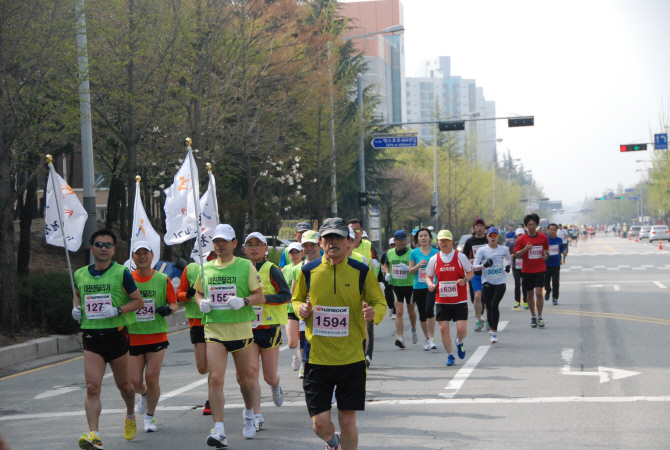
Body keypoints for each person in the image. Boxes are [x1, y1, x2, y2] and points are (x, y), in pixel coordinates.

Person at [292, 218, 386, 450]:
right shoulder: (308, 271)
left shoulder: (361, 271)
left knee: (347, 420)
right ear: (320, 242)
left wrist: (375, 313)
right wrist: (299, 308)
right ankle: (332, 441)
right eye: (328, 238)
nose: (333, 242)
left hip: (351, 357)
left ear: (349, 242)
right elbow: (295, 299)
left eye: (338, 238)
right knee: (320, 425)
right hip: (317, 358)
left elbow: (379, 302)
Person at [193, 224, 266, 447]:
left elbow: (260, 296)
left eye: (224, 241)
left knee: (245, 381)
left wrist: (243, 301)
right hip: (214, 330)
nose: (220, 245)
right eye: (216, 241)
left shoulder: (245, 267)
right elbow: (198, 292)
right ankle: (219, 429)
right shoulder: (205, 268)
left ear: (234, 243)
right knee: (215, 378)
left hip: (240, 331)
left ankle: (249, 414)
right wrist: (201, 303)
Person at [72, 229, 144, 449]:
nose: (103, 248)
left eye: (108, 245)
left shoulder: (122, 273)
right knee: (92, 387)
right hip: (92, 336)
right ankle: (94, 434)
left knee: (125, 386)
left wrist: (118, 311)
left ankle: (130, 414)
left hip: (117, 335)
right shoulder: (80, 273)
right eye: (99, 244)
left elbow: (138, 301)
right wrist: (75, 310)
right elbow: (77, 296)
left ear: (113, 250)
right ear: (91, 247)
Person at [126, 241, 178, 433]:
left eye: (145, 253)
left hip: (156, 335)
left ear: (152, 255)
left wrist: (168, 310)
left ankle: (150, 417)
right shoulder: (127, 279)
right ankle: (144, 393)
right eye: (137, 253)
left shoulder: (163, 279)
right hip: (132, 336)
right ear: (133, 257)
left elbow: (174, 303)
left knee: (152, 377)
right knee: (134, 381)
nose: (141, 256)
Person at [243, 232, 292, 431]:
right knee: (251, 373)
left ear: (265, 249)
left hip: (270, 327)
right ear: (244, 250)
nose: (254, 248)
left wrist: (264, 299)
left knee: (269, 376)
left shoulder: (272, 269)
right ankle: (257, 415)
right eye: (250, 245)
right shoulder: (240, 269)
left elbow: (286, 295)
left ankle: (276, 387)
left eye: (258, 244)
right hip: (248, 328)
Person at [424, 230, 474, 366]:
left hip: (460, 299)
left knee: (461, 329)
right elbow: (428, 276)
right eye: (441, 240)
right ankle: (450, 355)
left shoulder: (460, 257)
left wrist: (464, 279)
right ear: (438, 242)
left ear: (452, 242)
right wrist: (430, 284)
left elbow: (471, 272)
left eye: (447, 240)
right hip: (442, 300)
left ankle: (459, 342)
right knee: (443, 329)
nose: (444, 243)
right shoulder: (434, 259)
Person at [177, 251, 216, 415]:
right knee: (203, 367)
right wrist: (188, 294)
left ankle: (212, 399)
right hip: (197, 322)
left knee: (215, 366)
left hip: (217, 321)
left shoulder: (223, 265)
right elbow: (179, 294)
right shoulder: (191, 268)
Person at [291, 231, 322, 378]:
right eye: (305, 245)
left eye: (312, 245)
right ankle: (306, 369)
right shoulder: (298, 268)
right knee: (304, 343)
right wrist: (300, 306)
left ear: (320, 245)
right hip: (306, 315)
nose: (309, 248)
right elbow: (294, 294)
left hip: (325, 315)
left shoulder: (328, 264)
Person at [473, 228, 511, 344]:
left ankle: (494, 332)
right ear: (487, 237)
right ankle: (491, 330)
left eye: (495, 235)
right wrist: (484, 265)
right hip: (487, 282)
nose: (493, 237)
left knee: (494, 305)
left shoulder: (504, 249)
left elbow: (509, 260)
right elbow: (475, 266)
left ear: (498, 237)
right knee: (489, 307)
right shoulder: (482, 250)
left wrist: (508, 266)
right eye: (491, 235)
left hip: (500, 282)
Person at [513, 214, 550, 328]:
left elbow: (547, 251)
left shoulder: (543, 237)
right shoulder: (522, 239)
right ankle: (533, 316)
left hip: (540, 268)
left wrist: (545, 256)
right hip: (527, 270)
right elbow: (516, 254)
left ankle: (540, 316)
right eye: (529, 225)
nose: (532, 227)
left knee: (539, 293)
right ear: (526, 226)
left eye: (533, 224)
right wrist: (525, 249)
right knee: (529, 294)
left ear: (537, 225)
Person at [384, 230, 416, 348]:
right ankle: (400, 337)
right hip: (396, 285)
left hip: (410, 285)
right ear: (395, 241)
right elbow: (385, 264)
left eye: (403, 239)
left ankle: (413, 329)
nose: (401, 242)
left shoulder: (412, 253)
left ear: (406, 240)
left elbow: (417, 267)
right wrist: (386, 273)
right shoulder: (390, 252)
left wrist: (408, 268)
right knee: (399, 311)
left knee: (411, 311)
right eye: (399, 240)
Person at [408, 228, 439, 350]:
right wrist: (418, 265)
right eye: (420, 236)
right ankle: (426, 338)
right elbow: (410, 271)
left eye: (425, 235)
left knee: (429, 310)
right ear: (417, 239)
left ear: (430, 238)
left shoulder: (436, 252)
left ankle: (432, 339)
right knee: (422, 313)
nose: (423, 238)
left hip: (431, 285)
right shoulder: (414, 253)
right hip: (418, 286)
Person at [462, 218, 489, 331]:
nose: (479, 227)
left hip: (488, 274)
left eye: (481, 225)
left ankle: (489, 319)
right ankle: (478, 320)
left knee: (487, 298)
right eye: (477, 226)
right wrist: (470, 260)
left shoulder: (488, 240)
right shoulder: (470, 242)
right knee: (477, 297)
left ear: (484, 228)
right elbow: (464, 257)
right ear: (474, 228)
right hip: (475, 273)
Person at [283, 242, 304, 374]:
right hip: (290, 309)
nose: (294, 255)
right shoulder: (284, 270)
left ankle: (304, 367)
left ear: (302, 253)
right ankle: (296, 356)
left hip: (303, 309)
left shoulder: (307, 267)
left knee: (304, 340)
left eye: (297, 252)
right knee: (292, 342)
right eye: (292, 253)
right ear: (288, 255)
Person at [544, 224, 567, 306]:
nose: (552, 231)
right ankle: (548, 291)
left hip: (556, 265)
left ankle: (555, 298)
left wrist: (564, 251)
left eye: (554, 230)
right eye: (551, 229)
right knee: (546, 282)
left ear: (557, 231)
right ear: (548, 230)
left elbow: (561, 248)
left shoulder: (559, 240)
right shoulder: (544, 239)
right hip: (546, 264)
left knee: (556, 283)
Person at [379, 238, 397, 318]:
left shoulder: (399, 254)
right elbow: (381, 264)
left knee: (396, 295)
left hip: (397, 277)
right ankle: (390, 307)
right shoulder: (386, 254)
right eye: (391, 245)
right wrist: (385, 270)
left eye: (394, 245)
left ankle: (395, 311)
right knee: (388, 294)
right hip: (388, 276)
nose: (393, 246)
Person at [511, 228, 527, 309]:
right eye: (518, 235)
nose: (520, 237)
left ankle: (526, 301)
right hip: (515, 266)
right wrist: (512, 255)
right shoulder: (513, 244)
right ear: (516, 236)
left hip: (525, 266)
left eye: (521, 235)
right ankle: (517, 301)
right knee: (517, 283)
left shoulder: (527, 244)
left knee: (525, 284)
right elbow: (510, 253)